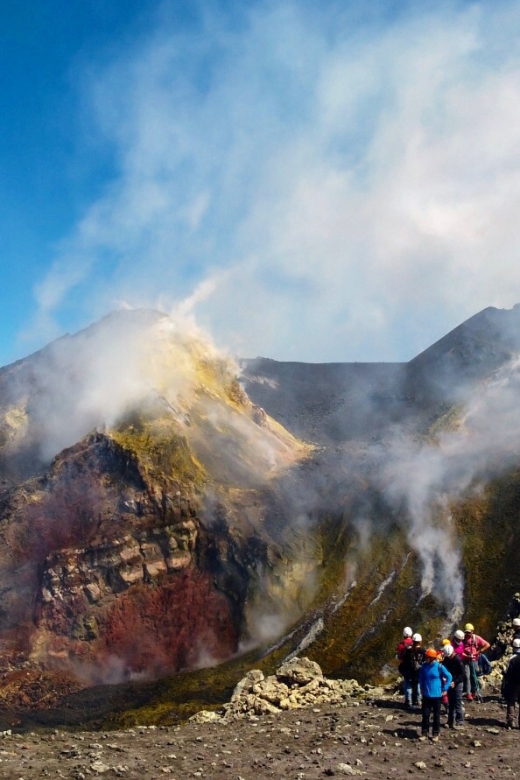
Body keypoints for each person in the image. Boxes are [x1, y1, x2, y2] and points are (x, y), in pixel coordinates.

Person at [419, 648, 453, 741]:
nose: (425, 658)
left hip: (437, 695)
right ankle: (424, 733)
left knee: (436, 716)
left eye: (427, 657)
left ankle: (435, 734)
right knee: (425, 715)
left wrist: (445, 689)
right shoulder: (424, 666)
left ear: (432, 658)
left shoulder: (439, 667)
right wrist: (421, 687)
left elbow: (449, 676)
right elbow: (421, 677)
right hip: (426, 695)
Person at [461, 623, 490, 700]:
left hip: (474, 660)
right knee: (467, 677)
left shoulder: (476, 638)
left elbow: (487, 644)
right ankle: (468, 693)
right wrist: (465, 655)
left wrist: (479, 651)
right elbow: (459, 650)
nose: (467, 634)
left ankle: (473, 692)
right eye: (466, 632)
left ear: (472, 631)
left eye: (469, 632)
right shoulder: (462, 638)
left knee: (474, 676)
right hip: (465, 660)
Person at [442, 644, 465, 728]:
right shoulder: (447, 659)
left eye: (450, 656)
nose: (449, 657)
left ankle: (460, 721)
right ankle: (450, 720)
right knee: (451, 702)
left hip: (458, 683)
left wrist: (455, 682)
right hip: (449, 682)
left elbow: (462, 674)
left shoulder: (458, 660)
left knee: (457, 702)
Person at [400, 633, 425, 709]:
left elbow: (404, 660)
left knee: (408, 686)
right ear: (420, 641)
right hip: (418, 671)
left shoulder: (408, 650)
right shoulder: (423, 650)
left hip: (408, 671)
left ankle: (408, 702)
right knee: (418, 685)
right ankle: (418, 700)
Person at [503, 638, 520, 729]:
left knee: (511, 702)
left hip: (514, 684)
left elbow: (508, 672)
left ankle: (510, 721)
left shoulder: (512, 659)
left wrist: (504, 674)